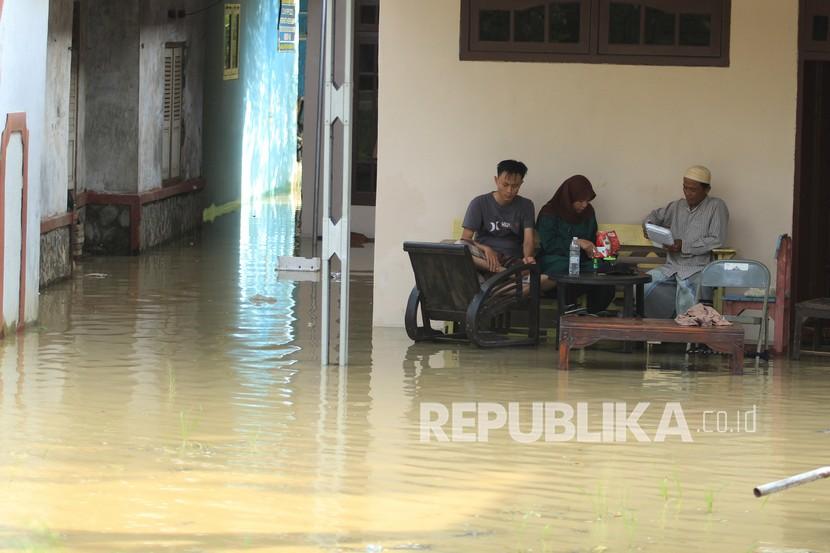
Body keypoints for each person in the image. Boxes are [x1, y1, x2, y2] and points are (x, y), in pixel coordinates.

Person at [642, 165, 729, 317]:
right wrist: (648, 226)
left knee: (690, 293)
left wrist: (684, 245)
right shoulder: (677, 206)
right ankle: (657, 331)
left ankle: (688, 337)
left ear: (706, 190)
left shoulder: (716, 206)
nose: (688, 193)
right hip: (672, 268)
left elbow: (716, 239)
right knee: (644, 284)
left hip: (698, 268)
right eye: (685, 187)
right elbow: (653, 217)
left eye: (693, 189)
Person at [536, 175, 615, 313]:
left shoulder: (588, 212)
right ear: (568, 198)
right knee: (568, 268)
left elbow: (591, 239)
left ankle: (593, 316)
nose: (584, 205)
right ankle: (571, 317)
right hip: (555, 260)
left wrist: (600, 247)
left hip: (583, 262)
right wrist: (576, 243)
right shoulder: (550, 211)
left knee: (604, 269)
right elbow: (548, 244)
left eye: (587, 201)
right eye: (579, 201)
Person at [461, 160, 537, 273]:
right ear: (496, 180)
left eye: (515, 186)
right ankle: (505, 275)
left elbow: (528, 240)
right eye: (505, 184)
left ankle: (501, 281)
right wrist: (486, 248)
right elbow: (465, 239)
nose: (509, 190)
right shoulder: (479, 203)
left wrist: (527, 258)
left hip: (511, 259)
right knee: (459, 246)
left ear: (521, 183)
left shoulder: (526, 205)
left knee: (538, 275)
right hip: (483, 258)